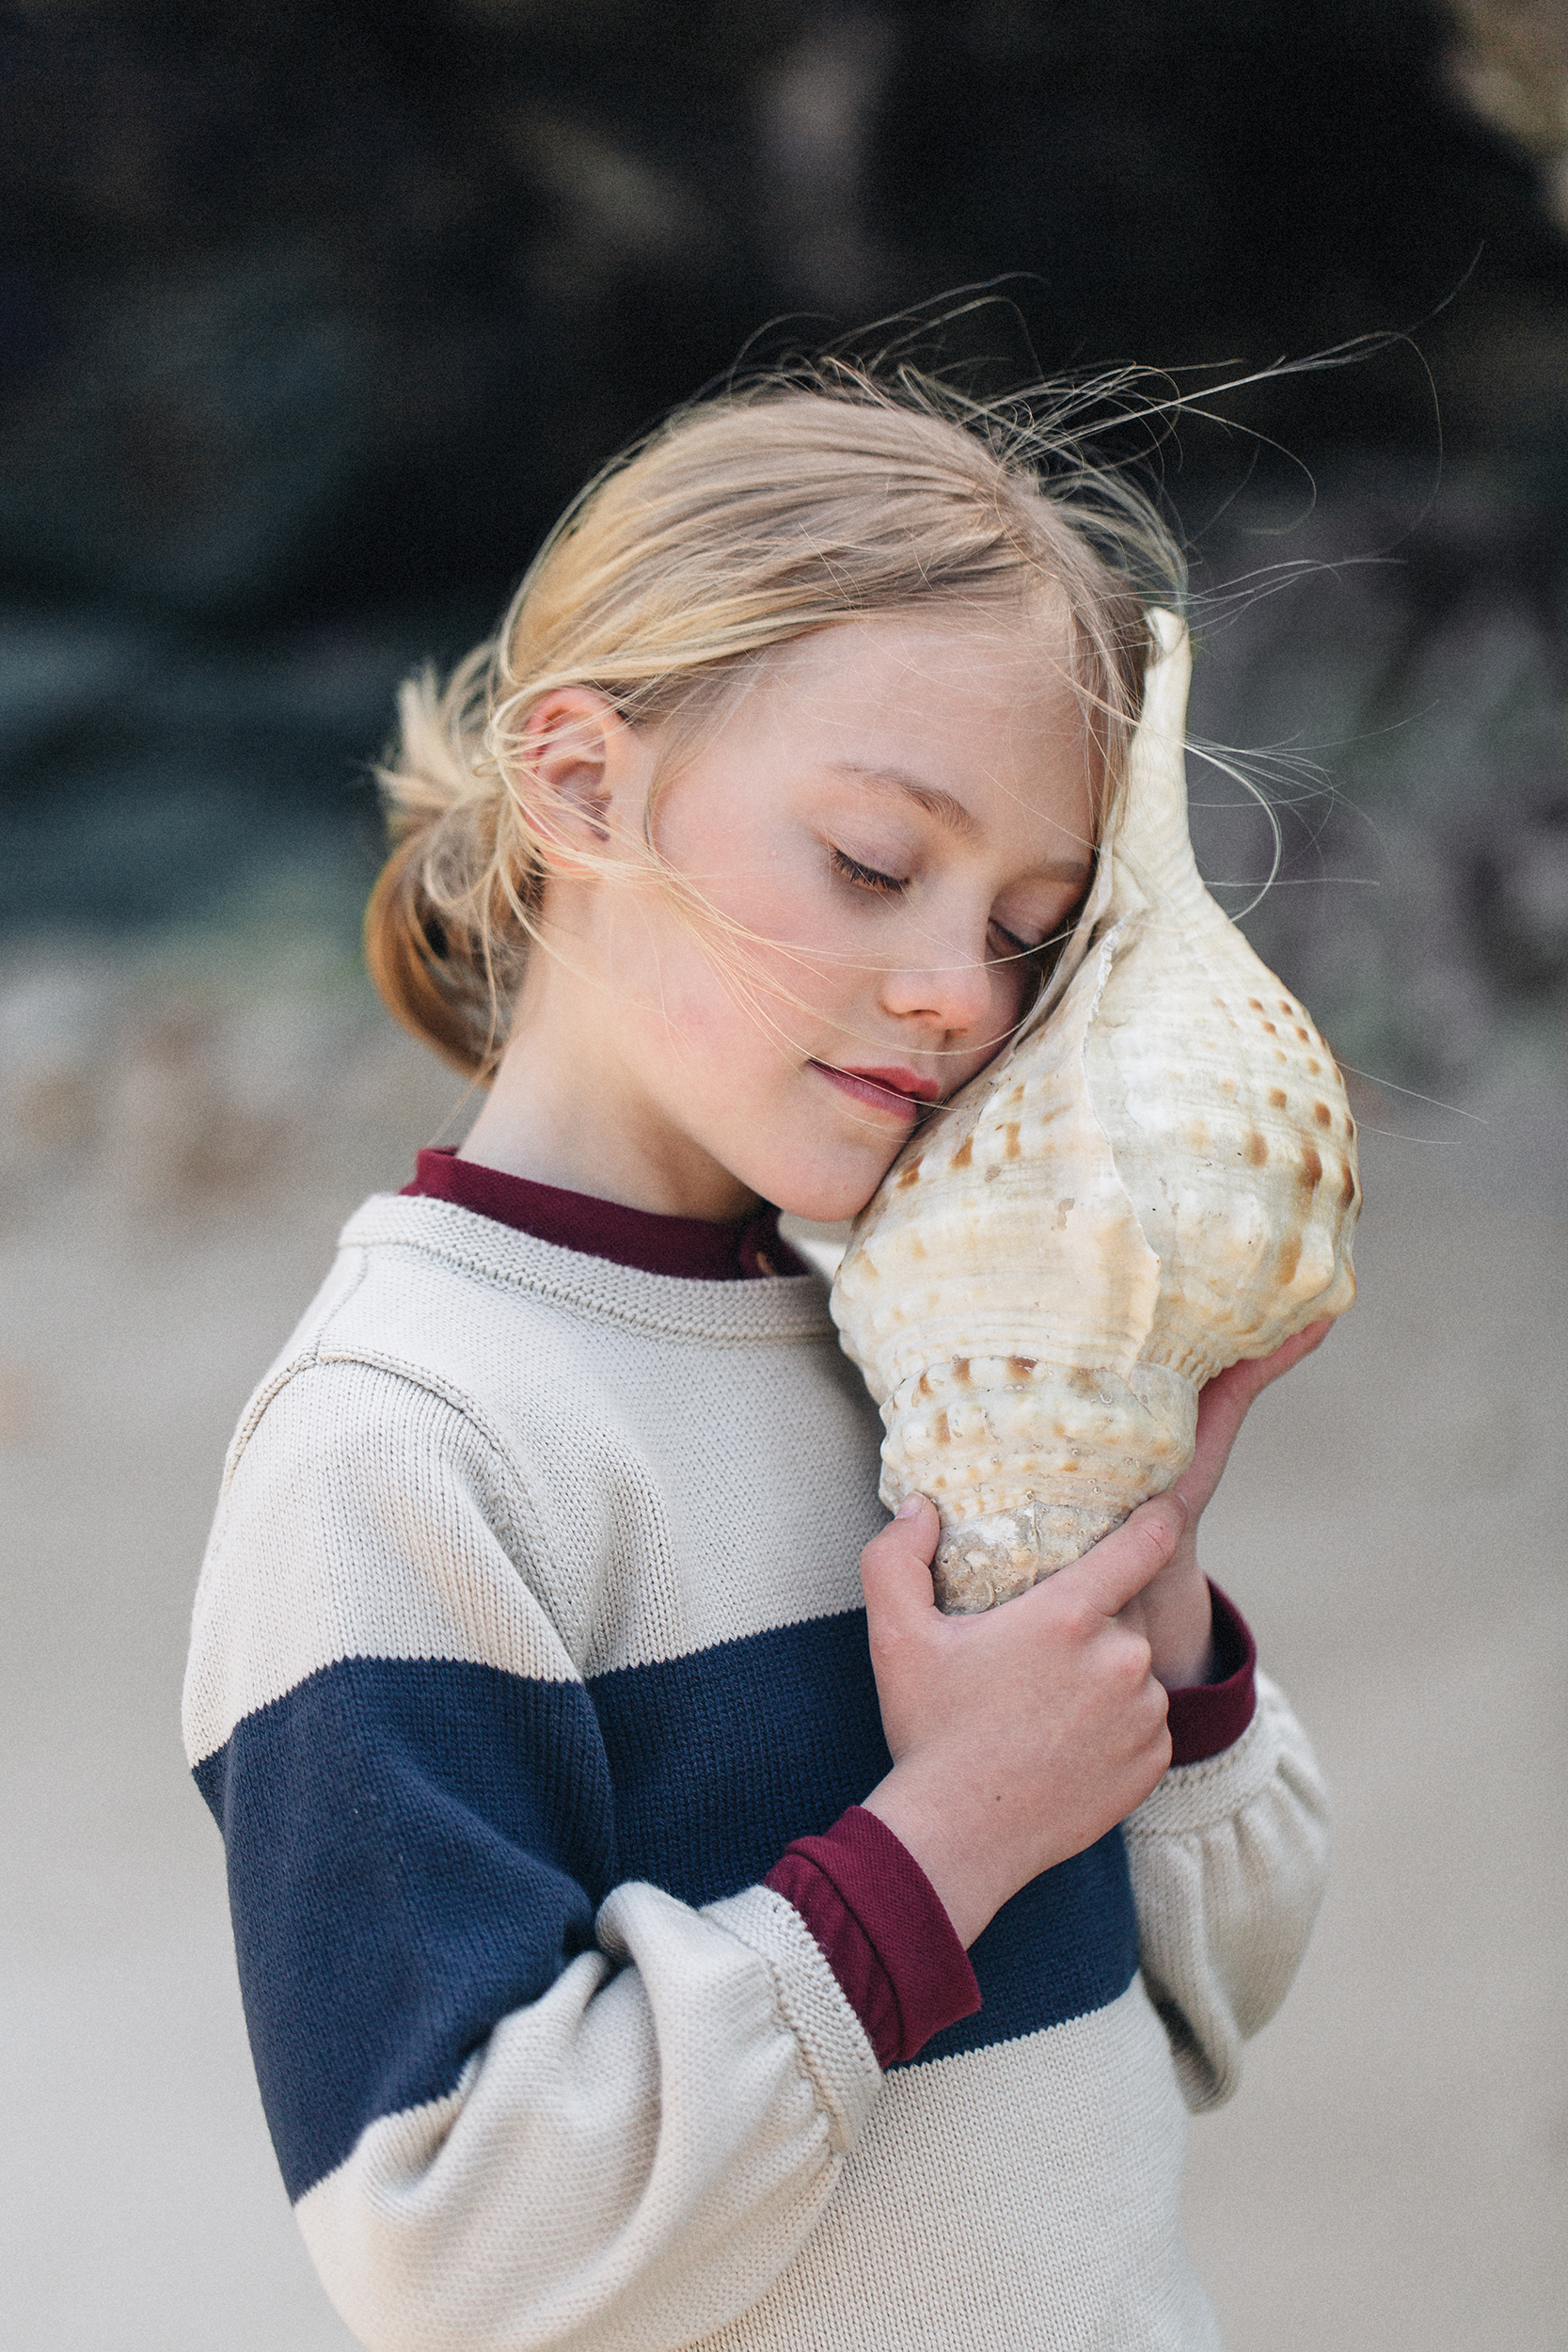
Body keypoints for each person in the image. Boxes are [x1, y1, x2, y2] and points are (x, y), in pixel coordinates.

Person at [182, 368, 1331, 2352]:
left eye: (1031, 932)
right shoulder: (401, 1445)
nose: (955, 989)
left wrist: (1153, 1616)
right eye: (880, 865)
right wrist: (948, 1828)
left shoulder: (901, 1337)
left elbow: (1208, 1998)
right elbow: (452, 2242)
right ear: (580, 783)